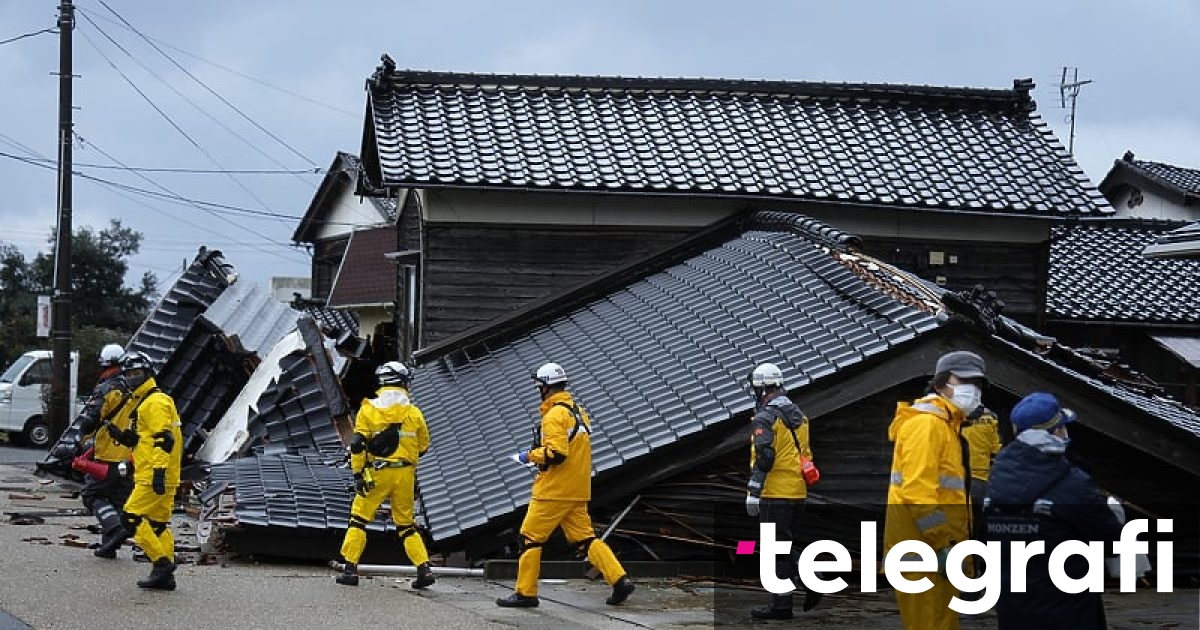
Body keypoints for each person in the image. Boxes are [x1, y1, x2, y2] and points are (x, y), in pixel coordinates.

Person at [496, 362, 635, 608]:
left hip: (552, 491)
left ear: (545, 388)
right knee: (586, 539)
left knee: (530, 539)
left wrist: (531, 456)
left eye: (538, 387)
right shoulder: (579, 412)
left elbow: (557, 453)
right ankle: (619, 579)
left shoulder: (553, 416)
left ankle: (526, 593)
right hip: (578, 489)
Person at [984, 392, 1123, 630]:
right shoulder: (1073, 483)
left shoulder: (996, 481)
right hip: (1068, 609)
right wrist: (1116, 516)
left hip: (1013, 607)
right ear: (1055, 432)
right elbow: (1111, 539)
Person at [884, 350, 983, 630]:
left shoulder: (945, 427)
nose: (972, 389)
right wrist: (943, 545)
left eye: (977, 384)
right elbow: (917, 492)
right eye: (963, 380)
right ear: (940, 384)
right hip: (926, 554)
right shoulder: (927, 426)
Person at [334, 361, 435, 589]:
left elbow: (358, 445)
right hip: (405, 475)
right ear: (402, 383)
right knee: (407, 525)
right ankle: (424, 568)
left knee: (359, 519)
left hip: (377, 473)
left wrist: (358, 473)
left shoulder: (368, 409)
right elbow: (424, 446)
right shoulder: (414, 413)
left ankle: (350, 569)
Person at [744, 362, 821, 620]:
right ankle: (783, 604)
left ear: (762, 389)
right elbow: (804, 453)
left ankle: (812, 579)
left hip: (774, 492)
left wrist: (754, 491)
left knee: (774, 549)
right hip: (796, 491)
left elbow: (765, 456)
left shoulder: (765, 418)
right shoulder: (799, 415)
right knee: (781, 547)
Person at [110, 351, 183, 590]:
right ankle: (165, 576)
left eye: (137, 373)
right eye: (129, 374)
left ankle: (161, 563)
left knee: (130, 517)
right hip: (162, 473)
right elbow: (149, 438)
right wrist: (125, 438)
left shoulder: (153, 402)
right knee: (157, 525)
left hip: (153, 474)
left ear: (148, 373)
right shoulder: (150, 400)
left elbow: (165, 439)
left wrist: (159, 473)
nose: (133, 378)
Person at [65, 344, 137, 558]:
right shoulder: (136, 387)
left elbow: (91, 420)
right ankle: (109, 546)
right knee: (117, 498)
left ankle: (115, 529)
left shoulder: (107, 389)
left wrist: (78, 441)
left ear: (105, 364)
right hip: (132, 455)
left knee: (92, 493)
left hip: (108, 454)